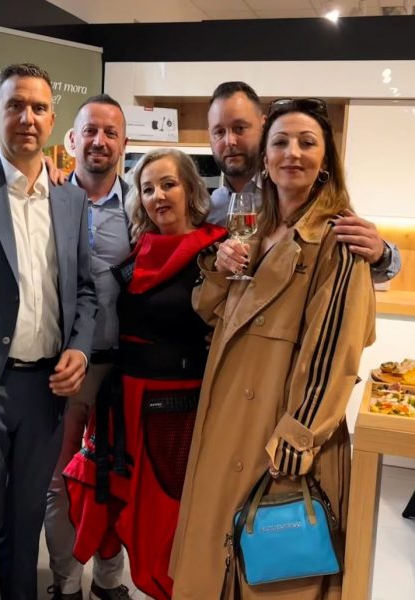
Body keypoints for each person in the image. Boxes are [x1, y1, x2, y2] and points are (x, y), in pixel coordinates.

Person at [170, 98, 376, 599]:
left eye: (307, 142)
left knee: (269, 571)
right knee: (216, 559)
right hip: (226, 422)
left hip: (279, 432)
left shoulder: (338, 239)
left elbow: (334, 352)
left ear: (326, 159)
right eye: (280, 142)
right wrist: (219, 269)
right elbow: (211, 313)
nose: (292, 153)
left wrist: (296, 438)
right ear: (265, 158)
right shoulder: (256, 228)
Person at [0, 63, 96, 600]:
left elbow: (84, 289)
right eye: (15, 106)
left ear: (53, 121)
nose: (27, 118)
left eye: (38, 108)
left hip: (46, 392)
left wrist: (80, 347)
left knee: (27, 525)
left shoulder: (71, 199)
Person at [64, 149, 227, 600]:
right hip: (124, 400)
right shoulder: (140, 249)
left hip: (177, 410)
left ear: (191, 189)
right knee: (111, 502)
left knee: (166, 515)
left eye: (168, 184)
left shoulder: (218, 251)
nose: (158, 196)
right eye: (148, 188)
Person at [44, 94, 132, 600]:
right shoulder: (48, 197)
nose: (99, 141)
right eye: (90, 131)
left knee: (116, 479)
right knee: (60, 481)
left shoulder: (141, 206)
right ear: (72, 139)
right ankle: (65, 583)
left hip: (123, 368)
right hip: (63, 368)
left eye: (111, 133)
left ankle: (109, 580)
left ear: (123, 143)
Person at [206, 81, 401, 283]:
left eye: (240, 128)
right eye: (219, 132)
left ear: (263, 127)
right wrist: (218, 268)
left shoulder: (297, 194)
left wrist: (381, 255)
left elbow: (354, 265)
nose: (229, 141)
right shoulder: (211, 207)